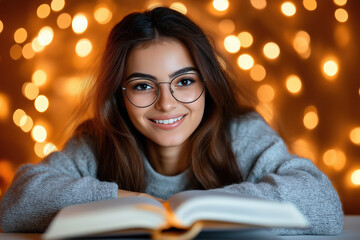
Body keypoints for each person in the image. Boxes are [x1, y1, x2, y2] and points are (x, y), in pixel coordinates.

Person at [0, 7, 343, 235]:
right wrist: (139, 203)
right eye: (143, 86)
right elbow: (17, 203)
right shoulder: (97, 141)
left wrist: (207, 207)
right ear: (119, 95)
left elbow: (322, 202)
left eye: (184, 81)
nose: (167, 104)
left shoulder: (240, 132)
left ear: (207, 84)